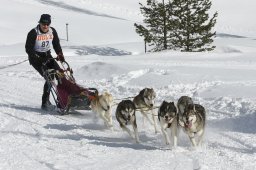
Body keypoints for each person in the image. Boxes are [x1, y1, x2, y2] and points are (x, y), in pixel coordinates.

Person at [25, 14, 65, 110]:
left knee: (60, 74)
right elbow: (28, 49)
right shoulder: (33, 32)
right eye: (43, 24)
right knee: (50, 76)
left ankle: (63, 99)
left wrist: (60, 54)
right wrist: (37, 57)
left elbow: (56, 44)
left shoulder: (52, 31)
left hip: (47, 56)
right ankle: (45, 102)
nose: (45, 26)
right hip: (35, 58)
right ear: (40, 23)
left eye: (47, 24)